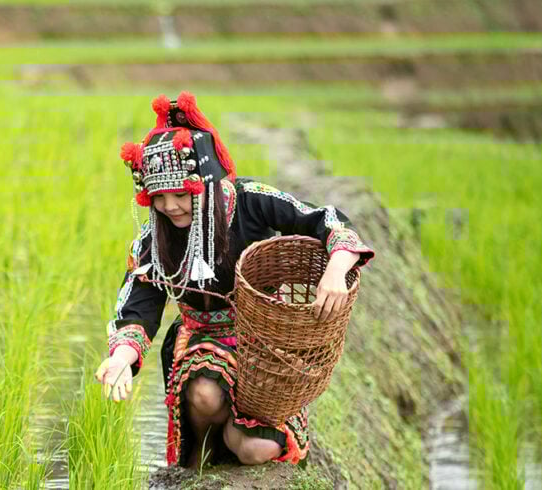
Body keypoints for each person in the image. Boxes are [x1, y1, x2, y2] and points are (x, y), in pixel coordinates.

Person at [94, 92, 375, 468]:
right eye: (159, 198)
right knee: (206, 396)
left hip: (264, 341)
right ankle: (202, 452)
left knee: (256, 450)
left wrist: (336, 270)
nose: (170, 206)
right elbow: (139, 305)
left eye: (181, 195)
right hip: (204, 342)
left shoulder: (250, 200)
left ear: (207, 185)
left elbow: (324, 218)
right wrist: (121, 359)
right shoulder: (155, 239)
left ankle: (239, 434)